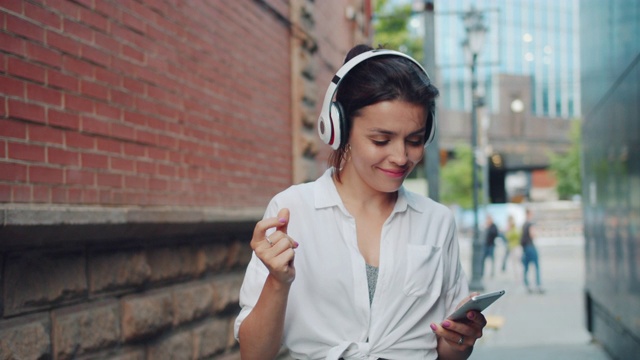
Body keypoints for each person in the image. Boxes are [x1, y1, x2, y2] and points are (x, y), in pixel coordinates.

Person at [234, 44, 487, 360]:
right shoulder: (293, 210)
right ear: (339, 130)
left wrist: (461, 340)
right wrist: (277, 281)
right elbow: (254, 355)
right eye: (381, 140)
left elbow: (448, 351)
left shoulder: (436, 220)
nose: (400, 157)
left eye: (415, 140)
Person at [521, 209, 544, 293]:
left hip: (525, 248)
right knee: (536, 266)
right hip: (531, 246)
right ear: (529, 214)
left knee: (526, 267)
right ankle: (538, 285)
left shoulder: (524, 224)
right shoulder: (530, 224)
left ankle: (527, 284)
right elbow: (532, 234)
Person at [501, 215, 521, 281]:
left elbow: (518, 235)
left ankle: (519, 276)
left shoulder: (515, 227)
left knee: (517, 261)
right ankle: (517, 276)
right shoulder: (509, 228)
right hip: (511, 247)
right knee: (514, 263)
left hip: (516, 246)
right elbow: (507, 237)